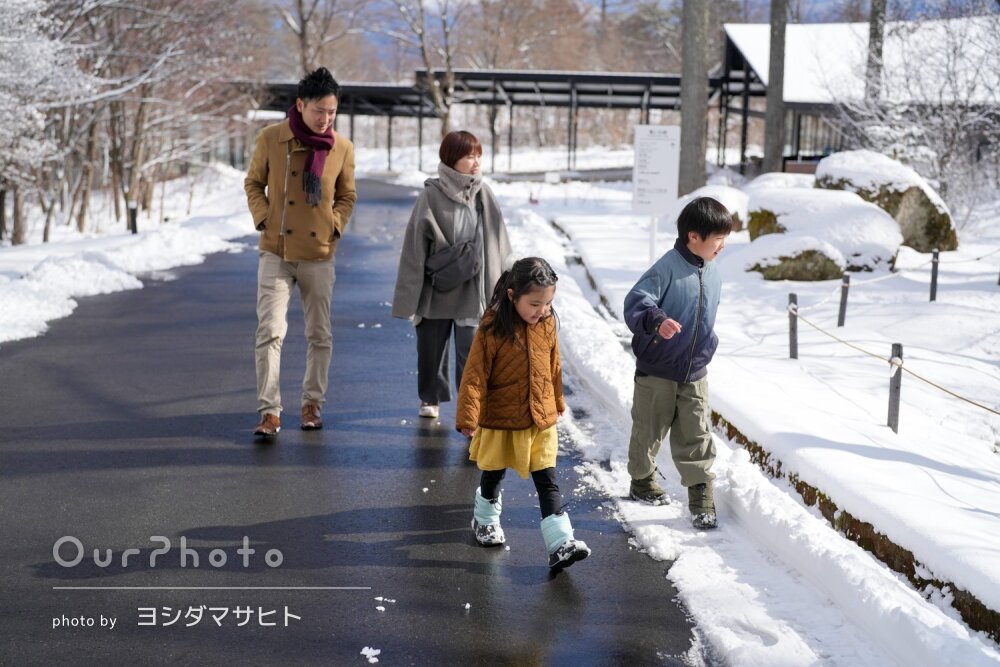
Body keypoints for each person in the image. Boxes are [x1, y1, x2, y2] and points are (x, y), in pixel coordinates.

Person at [456, 257, 591, 570]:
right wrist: (468, 416)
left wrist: (556, 401)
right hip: (502, 419)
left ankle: (561, 543)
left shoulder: (546, 324)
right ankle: (484, 519)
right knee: (493, 473)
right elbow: (474, 375)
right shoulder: (491, 328)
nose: (542, 310)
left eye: (548, 303)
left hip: (541, 419)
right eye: (534, 303)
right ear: (511, 295)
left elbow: (554, 366)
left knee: (548, 480)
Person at [244, 67, 356, 436]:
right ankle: (269, 411)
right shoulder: (271, 138)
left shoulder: (342, 147)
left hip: (319, 253)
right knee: (270, 331)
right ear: (300, 105)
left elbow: (347, 195)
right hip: (276, 250)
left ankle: (311, 404)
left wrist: (333, 225)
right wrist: (264, 219)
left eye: (331, 112)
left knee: (319, 334)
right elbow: (254, 183)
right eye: (318, 111)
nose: (325, 119)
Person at [623, 197, 733, 530]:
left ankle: (701, 498)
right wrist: (658, 320)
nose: (722, 247)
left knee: (697, 432)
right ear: (693, 237)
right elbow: (637, 301)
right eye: (718, 239)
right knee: (649, 430)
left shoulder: (713, 271)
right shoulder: (667, 266)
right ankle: (642, 480)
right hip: (657, 367)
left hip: (694, 369)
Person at [392, 131, 512, 419]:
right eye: (469, 156)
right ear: (450, 159)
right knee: (431, 350)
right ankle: (429, 397)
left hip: (472, 287)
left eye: (478, 155)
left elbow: (499, 243)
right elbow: (414, 248)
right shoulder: (431, 195)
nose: (476, 162)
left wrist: (505, 287)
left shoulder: (483, 194)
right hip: (437, 287)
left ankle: (471, 408)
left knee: (472, 355)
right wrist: (409, 299)